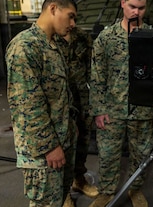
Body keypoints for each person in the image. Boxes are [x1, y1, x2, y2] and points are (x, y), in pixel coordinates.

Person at [89, 0, 153, 207]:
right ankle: (106, 191)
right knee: (108, 154)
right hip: (112, 110)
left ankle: (135, 189)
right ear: (123, 3)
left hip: (144, 110)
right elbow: (97, 76)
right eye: (132, 6)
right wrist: (98, 109)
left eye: (141, 8)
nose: (136, 12)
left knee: (141, 155)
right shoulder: (106, 37)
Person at [6, 0, 78, 207]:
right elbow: (27, 105)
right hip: (42, 152)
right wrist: (49, 147)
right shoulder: (25, 47)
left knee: (59, 199)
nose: (73, 24)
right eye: (70, 16)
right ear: (53, 9)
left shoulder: (53, 45)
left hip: (61, 139)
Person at [56, 26, 99, 207]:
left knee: (82, 141)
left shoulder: (81, 36)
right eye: (69, 16)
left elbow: (92, 63)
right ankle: (63, 192)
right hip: (61, 99)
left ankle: (78, 180)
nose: (72, 21)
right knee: (63, 145)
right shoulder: (49, 38)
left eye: (74, 17)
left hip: (82, 96)